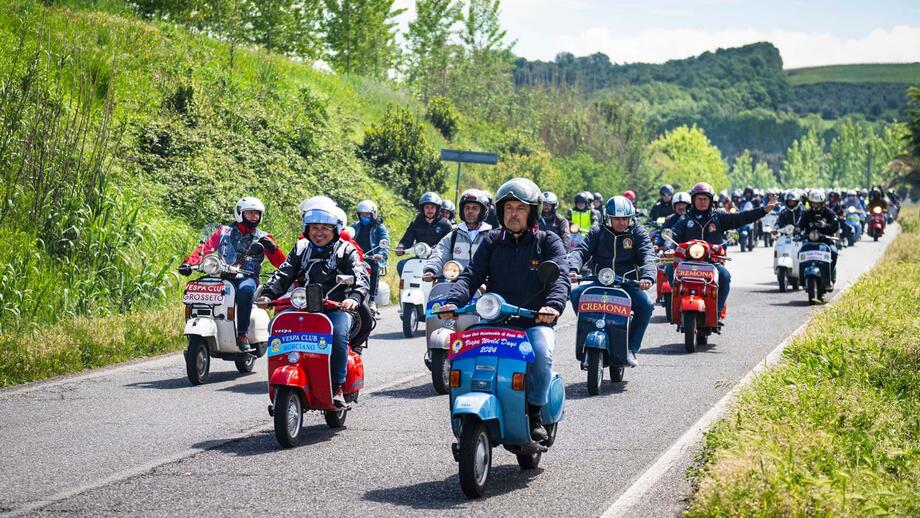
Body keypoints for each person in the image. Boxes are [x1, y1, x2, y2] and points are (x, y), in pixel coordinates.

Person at [437, 178, 570, 441]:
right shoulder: (492, 241)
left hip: (534, 321)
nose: (513, 214)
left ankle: (533, 413)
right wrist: (453, 301)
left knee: (541, 355)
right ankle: (467, 411)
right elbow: (471, 275)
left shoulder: (547, 241)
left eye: (520, 208)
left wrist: (551, 306)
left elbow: (560, 277)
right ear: (500, 211)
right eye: (508, 208)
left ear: (532, 211)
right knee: (461, 353)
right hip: (495, 320)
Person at [256, 197, 369, 408]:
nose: (319, 232)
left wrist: (353, 298)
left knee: (337, 333)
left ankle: (336, 386)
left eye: (325, 227)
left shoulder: (347, 250)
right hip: (304, 306)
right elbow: (285, 273)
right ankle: (284, 378)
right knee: (277, 327)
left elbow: (361, 276)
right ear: (307, 229)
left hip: (336, 308)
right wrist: (268, 295)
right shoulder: (301, 248)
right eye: (314, 227)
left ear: (335, 229)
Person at [179, 197, 285, 351]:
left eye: (257, 213)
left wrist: (273, 248)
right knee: (199, 286)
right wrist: (189, 263)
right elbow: (204, 249)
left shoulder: (263, 237)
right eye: (250, 213)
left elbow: (282, 264)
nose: (254, 216)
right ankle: (199, 324)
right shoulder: (223, 232)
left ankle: (242, 333)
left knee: (245, 291)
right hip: (221, 274)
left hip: (247, 277)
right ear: (239, 213)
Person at [568, 196, 656, 366]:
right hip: (600, 281)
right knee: (576, 294)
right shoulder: (598, 231)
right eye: (616, 219)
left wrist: (647, 277)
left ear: (631, 218)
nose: (621, 222)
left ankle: (631, 348)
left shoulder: (637, 233)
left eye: (624, 218)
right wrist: (573, 269)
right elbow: (581, 250)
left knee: (646, 305)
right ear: (608, 218)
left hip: (628, 284)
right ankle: (589, 329)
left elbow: (648, 255)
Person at [668, 182, 778, 316]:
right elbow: (673, 234)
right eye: (699, 199)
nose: (702, 202)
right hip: (688, 261)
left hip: (711, 261)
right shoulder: (685, 219)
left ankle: (717, 310)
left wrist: (763, 210)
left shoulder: (718, 216)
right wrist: (668, 246)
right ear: (693, 200)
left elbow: (741, 217)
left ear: (710, 200)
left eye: (705, 199)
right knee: (669, 269)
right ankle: (678, 302)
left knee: (725, 276)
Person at [423, 189, 493, 279]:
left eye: (475, 208)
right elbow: (439, 254)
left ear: (483, 211)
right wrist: (431, 270)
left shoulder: (490, 236)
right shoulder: (454, 235)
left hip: (482, 286)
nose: (470, 211)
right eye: (467, 208)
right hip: (456, 284)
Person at [395, 192, 452, 274]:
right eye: (427, 207)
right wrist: (401, 247)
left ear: (437, 209)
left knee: (444, 278)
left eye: (432, 207)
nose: (429, 210)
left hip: (438, 260)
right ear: (422, 208)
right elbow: (407, 239)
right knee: (401, 266)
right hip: (420, 258)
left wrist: (435, 250)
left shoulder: (445, 224)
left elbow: (449, 245)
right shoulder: (416, 223)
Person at [351, 200, 390, 315]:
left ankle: (372, 300)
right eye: (363, 215)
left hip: (373, 257)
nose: (365, 217)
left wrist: (380, 254)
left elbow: (385, 242)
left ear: (373, 214)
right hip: (356, 256)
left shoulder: (379, 227)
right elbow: (348, 237)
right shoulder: (355, 226)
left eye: (367, 214)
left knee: (375, 269)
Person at [799, 191, 840, 286]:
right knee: (799, 252)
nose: (815, 205)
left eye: (817, 203)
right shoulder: (806, 213)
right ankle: (801, 279)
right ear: (810, 203)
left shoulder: (829, 212)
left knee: (834, 252)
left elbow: (835, 225)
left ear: (822, 203)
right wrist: (797, 232)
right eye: (813, 203)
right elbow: (799, 225)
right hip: (809, 241)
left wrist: (826, 225)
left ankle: (830, 277)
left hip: (825, 241)